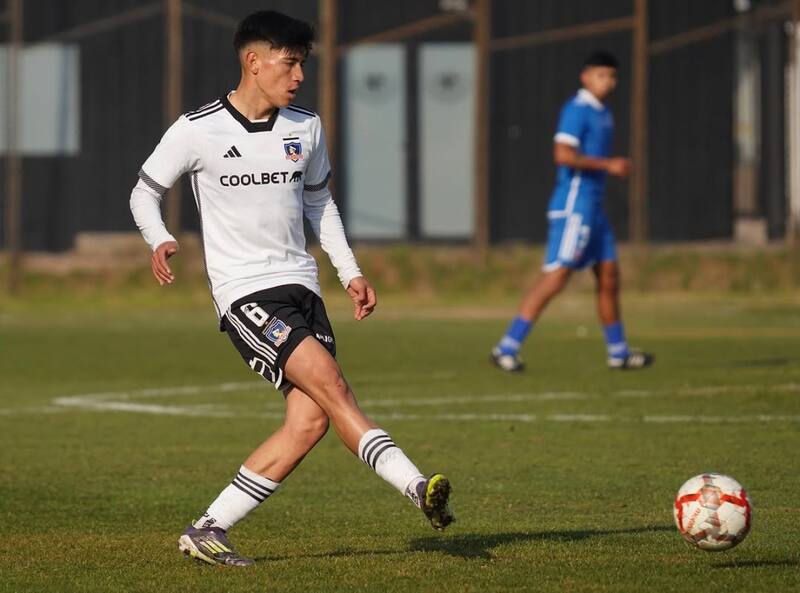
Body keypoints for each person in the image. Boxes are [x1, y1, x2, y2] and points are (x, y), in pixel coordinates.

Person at [130, 10, 454, 567]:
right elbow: (144, 192)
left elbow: (319, 203)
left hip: (301, 287)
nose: (299, 75)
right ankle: (415, 485)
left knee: (310, 420)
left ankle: (207, 529)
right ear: (253, 62)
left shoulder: (306, 127)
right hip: (244, 294)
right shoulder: (197, 128)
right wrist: (158, 238)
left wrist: (349, 271)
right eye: (290, 62)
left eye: (303, 63)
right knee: (333, 386)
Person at [491, 51, 654, 373]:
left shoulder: (603, 112)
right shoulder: (577, 110)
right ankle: (506, 347)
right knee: (557, 275)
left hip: (596, 209)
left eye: (612, 77)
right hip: (574, 207)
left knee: (609, 275)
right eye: (602, 75)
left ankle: (618, 352)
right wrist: (609, 164)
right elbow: (563, 154)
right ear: (585, 76)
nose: (608, 82)